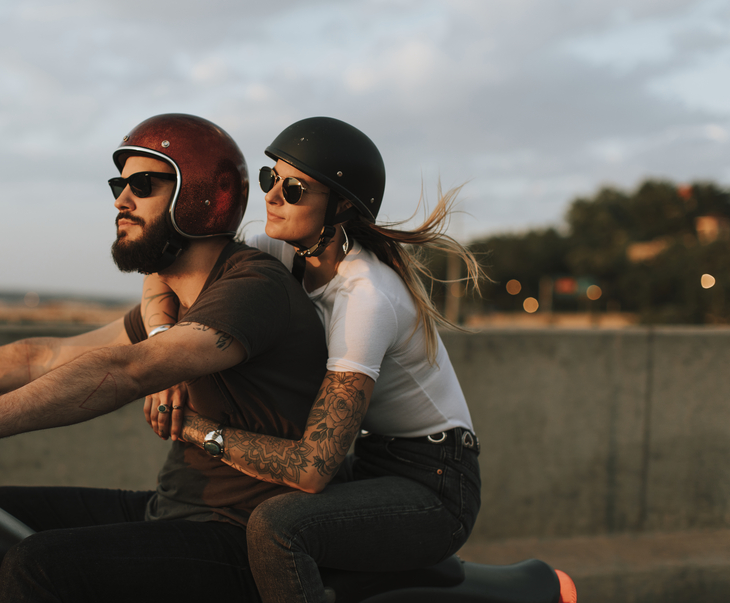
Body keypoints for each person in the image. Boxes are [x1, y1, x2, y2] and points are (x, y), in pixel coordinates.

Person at [0, 113, 330, 603]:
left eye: (142, 184)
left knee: (40, 566)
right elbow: (43, 356)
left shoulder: (251, 288)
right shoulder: (176, 299)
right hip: (171, 510)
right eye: (119, 183)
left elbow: (124, 371)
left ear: (197, 196)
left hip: (239, 541)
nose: (120, 199)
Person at [142, 116, 484, 603]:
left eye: (295, 189)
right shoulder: (279, 251)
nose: (272, 196)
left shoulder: (365, 295)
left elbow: (312, 467)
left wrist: (194, 428)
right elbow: (167, 261)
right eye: (269, 179)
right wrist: (162, 351)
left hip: (434, 484)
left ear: (342, 207)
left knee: (277, 526)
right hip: (368, 461)